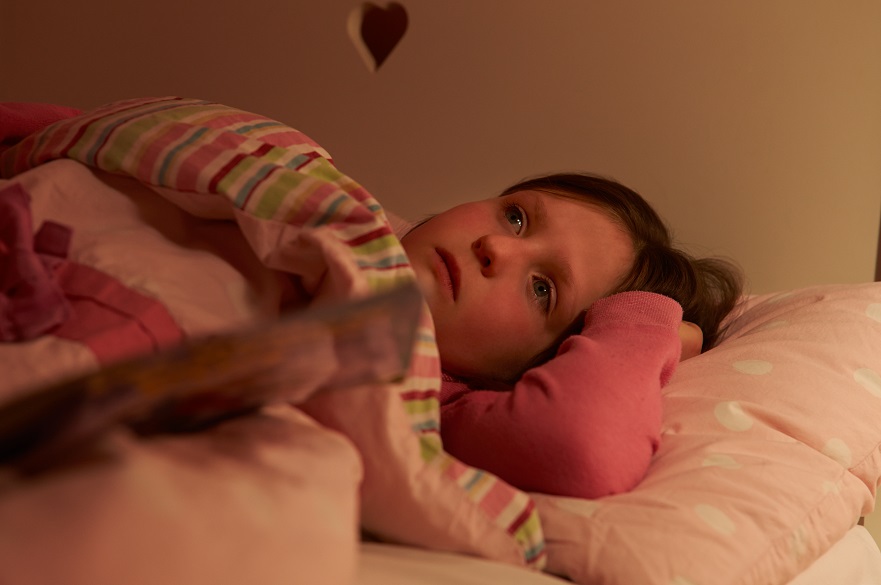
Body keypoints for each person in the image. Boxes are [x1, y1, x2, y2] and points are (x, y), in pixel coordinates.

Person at [399, 173, 743, 499]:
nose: (497, 248)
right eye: (516, 218)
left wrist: (645, 323)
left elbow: (584, 445)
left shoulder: (434, 407)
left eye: (541, 290)